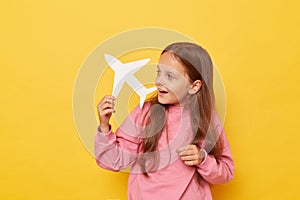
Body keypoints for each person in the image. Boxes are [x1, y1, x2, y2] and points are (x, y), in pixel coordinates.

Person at [95, 42, 234, 200]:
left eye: (170, 76)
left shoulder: (207, 120)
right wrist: (104, 127)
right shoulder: (145, 111)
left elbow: (226, 173)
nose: (159, 81)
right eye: (159, 72)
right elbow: (114, 162)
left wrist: (202, 159)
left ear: (194, 86)